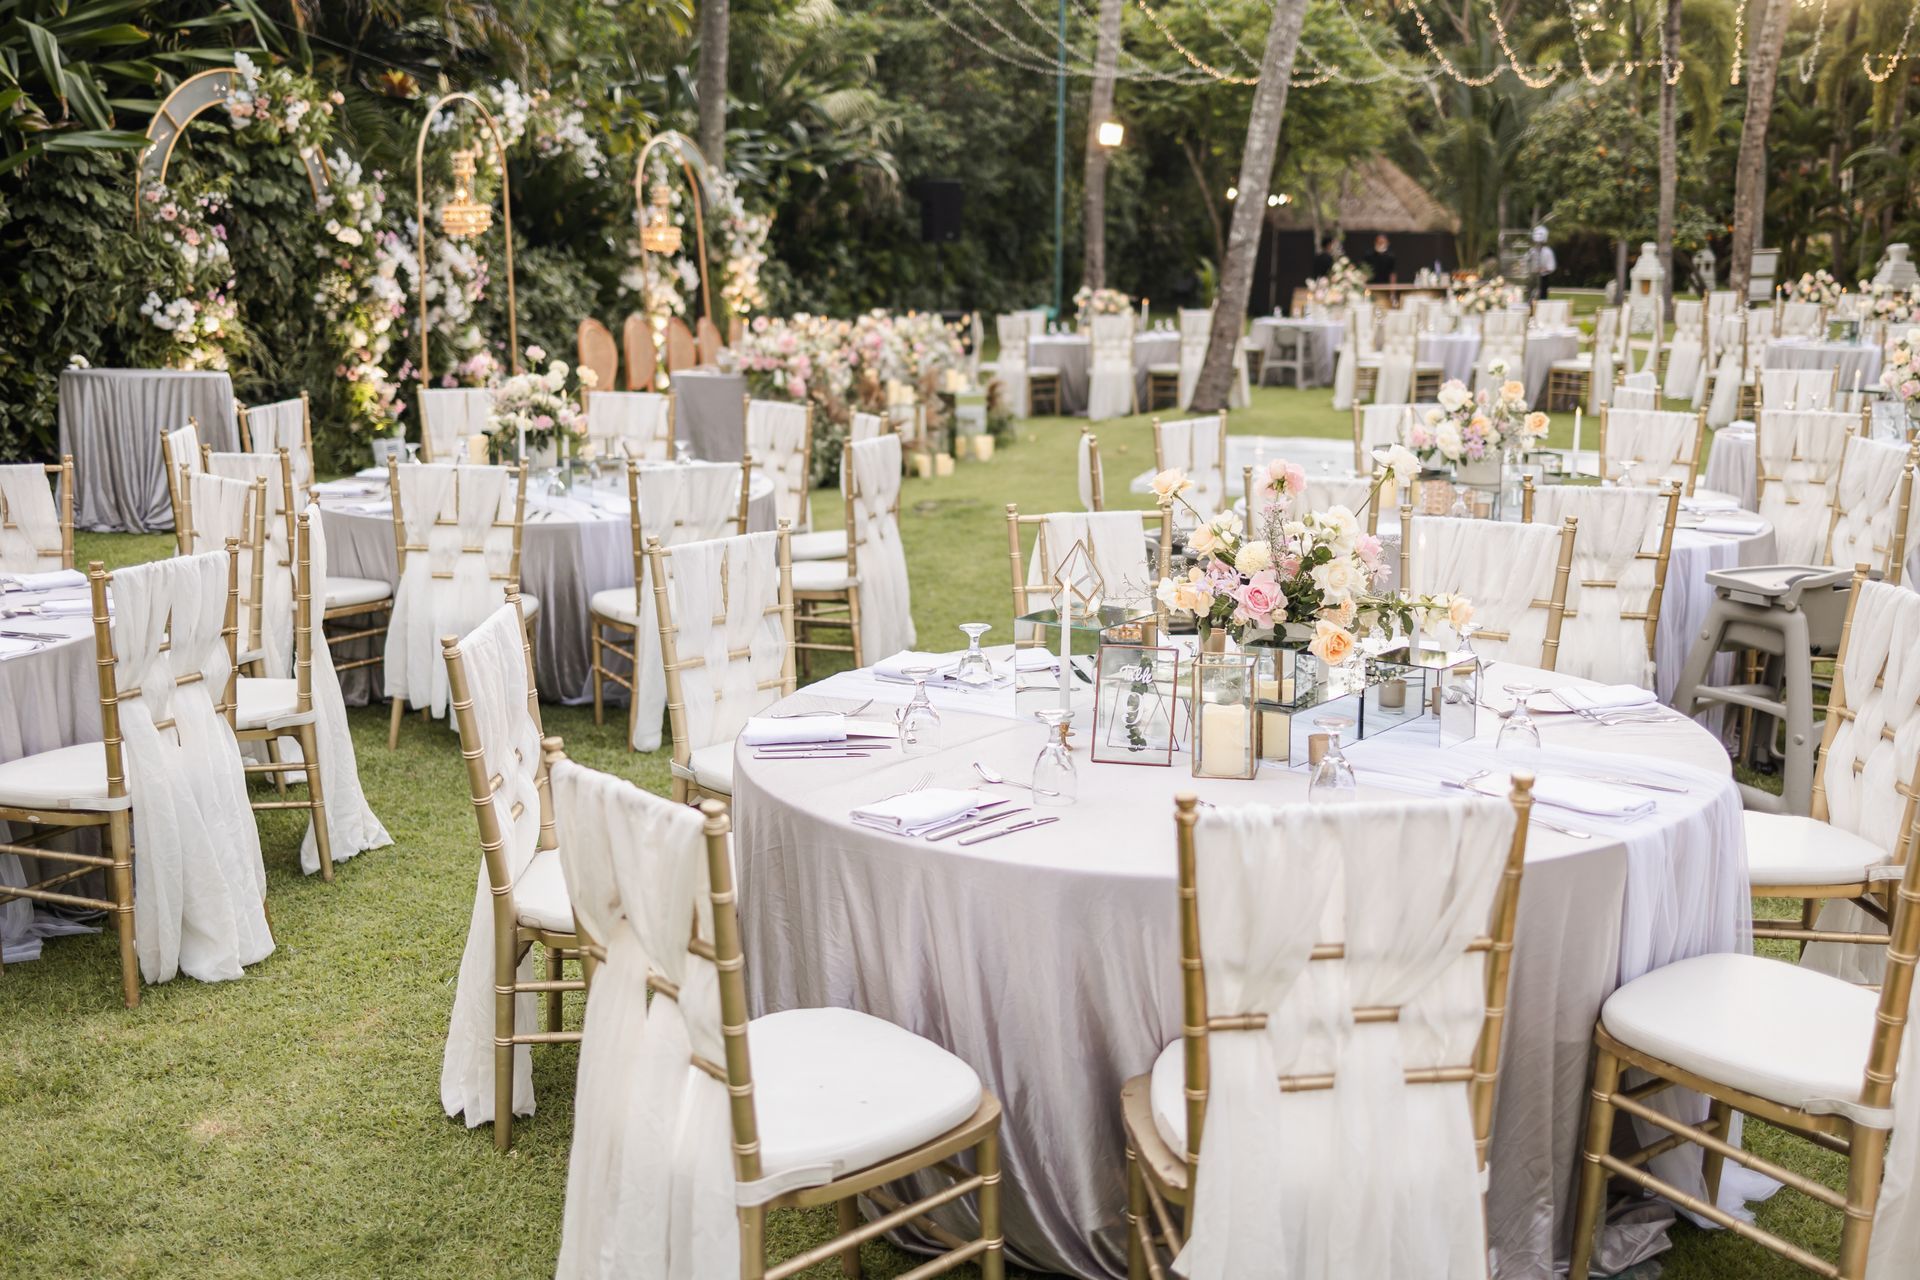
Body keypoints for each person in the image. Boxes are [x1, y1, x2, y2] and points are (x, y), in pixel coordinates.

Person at [1528, 225, 1557, 300]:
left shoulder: (1547, 251)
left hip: (1543, 278)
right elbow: (1527, 261)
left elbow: (1551, 267)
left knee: (1542, 297)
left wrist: (1541, 270)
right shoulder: (1532, 251)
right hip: (1532, 278)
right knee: (1531, 296)